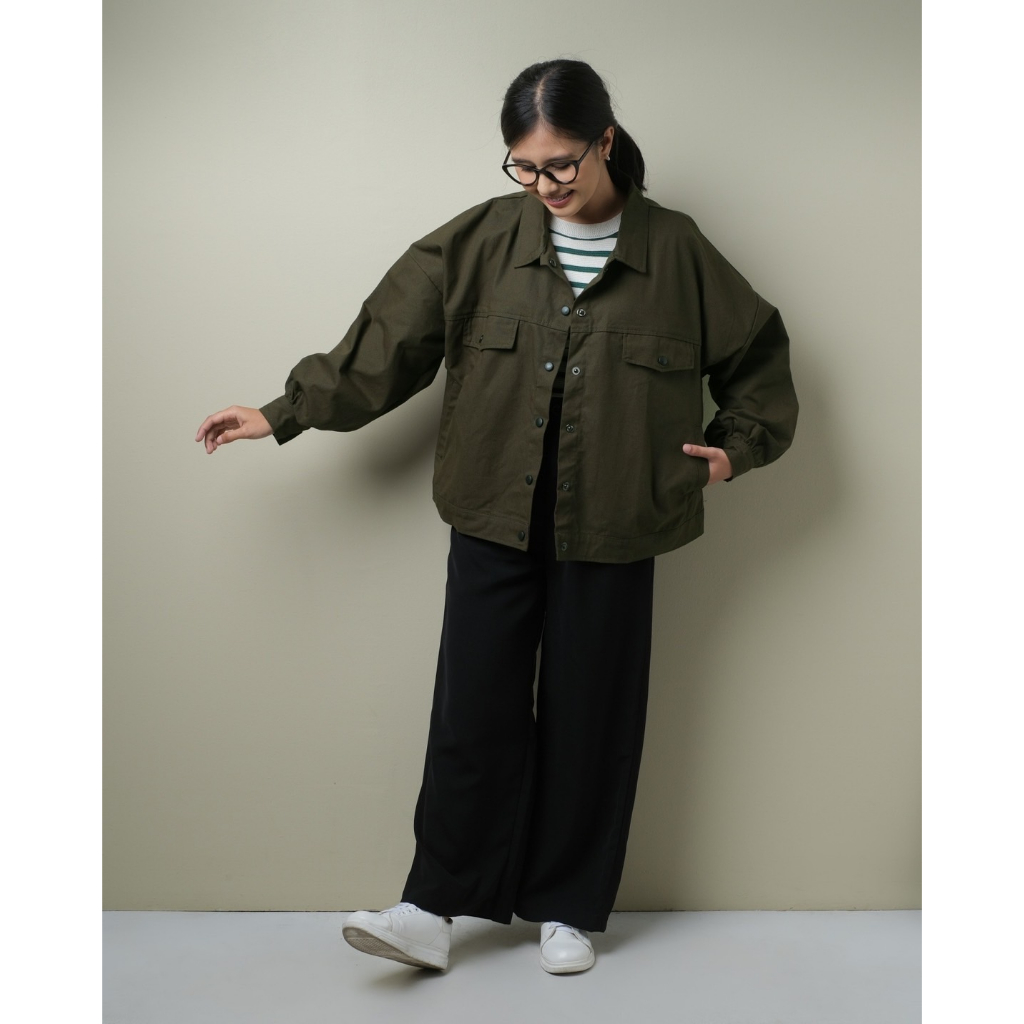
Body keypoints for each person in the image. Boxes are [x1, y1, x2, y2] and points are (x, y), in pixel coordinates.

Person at [195, 58, 798, 975]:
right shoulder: (477, 240)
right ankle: (432, 907)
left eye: (562, 163)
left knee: (593, 714)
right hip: (492, 510)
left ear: (605, 141)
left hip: (619, 519)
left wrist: (735, 446)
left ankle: (567, 909)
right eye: (525, 166)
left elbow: (758, 353)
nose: (545, 184)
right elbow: (385, 344)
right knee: (472, 709)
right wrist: (283, 412)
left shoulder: (676, 251)